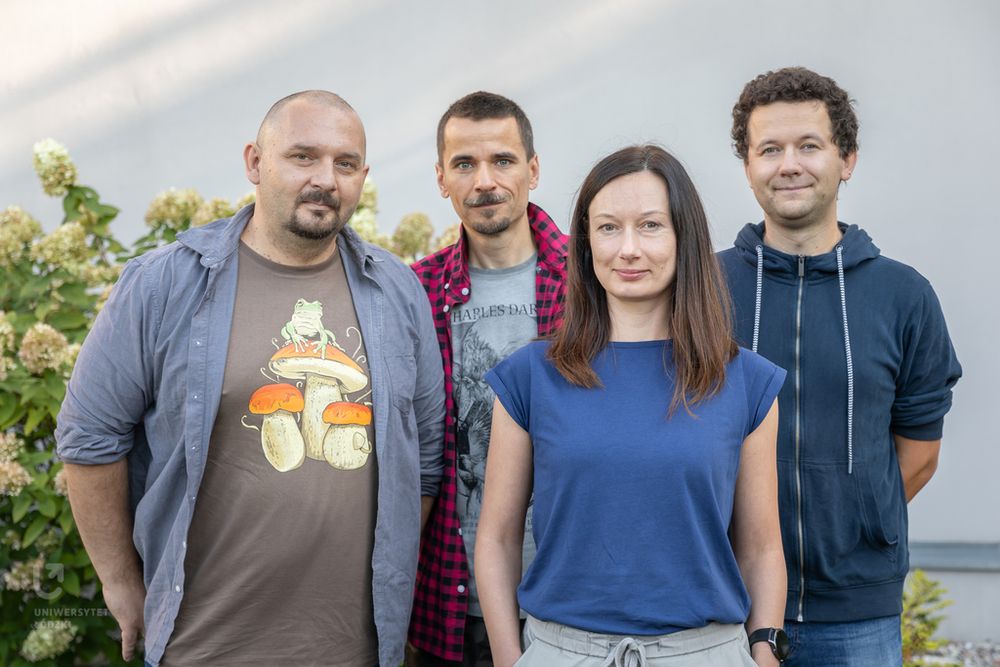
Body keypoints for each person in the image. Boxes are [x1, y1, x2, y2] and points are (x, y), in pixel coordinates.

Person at [55, 90, 446, 667]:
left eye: (345, 163)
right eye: (302, 157)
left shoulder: (396, 290)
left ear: (363, 175)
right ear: (254, 163)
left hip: (357, 645)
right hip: (206, 643)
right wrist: (118, 581)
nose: (325, 180)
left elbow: (427, 449)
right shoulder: (163, 284)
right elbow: (89, 437)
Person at [476, 144, 788, 667]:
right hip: (561, 653)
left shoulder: (746, 381)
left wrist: (763, 651)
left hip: (705, 653)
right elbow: (498, 539)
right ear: (585, 242)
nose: (627, 249)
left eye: (649, 225)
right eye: (607, 227)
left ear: (683, 238)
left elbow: (760, 548)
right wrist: (513, 660)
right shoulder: (530, 376)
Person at [719, 67, 962, 666]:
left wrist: (858, 517)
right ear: (748, 166)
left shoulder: (904, 295)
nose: (789, 164)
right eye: (769, 149)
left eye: (809, 146)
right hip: (723, 601)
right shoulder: (704, 288)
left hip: (857, 615)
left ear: (846, 159)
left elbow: (919, 452)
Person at [408, 91, 568, 666]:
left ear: (533, 168)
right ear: (441, 178)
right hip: (448, 602)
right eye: (464, 164)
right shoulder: (414, 292)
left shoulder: (592, 284)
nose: (485, 182)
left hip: (571, 601)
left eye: (502, 160)